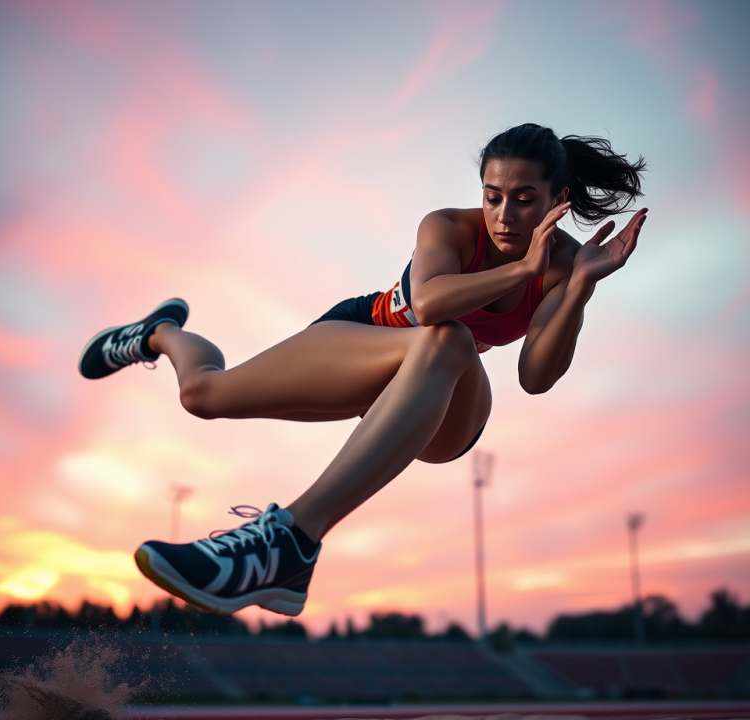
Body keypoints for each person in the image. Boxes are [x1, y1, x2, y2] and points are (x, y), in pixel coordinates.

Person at [78, 123, 647, 618]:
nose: (504, 214)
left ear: (558, 199)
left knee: (454, 345)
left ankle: (290, 542)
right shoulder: (448, 226)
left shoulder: (568, 267)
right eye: (493, 196)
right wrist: (523, 269)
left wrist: (576, 289)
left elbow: (535, 376)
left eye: (524, 199)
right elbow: (428, 304)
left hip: (442, 397)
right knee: (203, 394)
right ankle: (159, 333)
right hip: (364, 338)